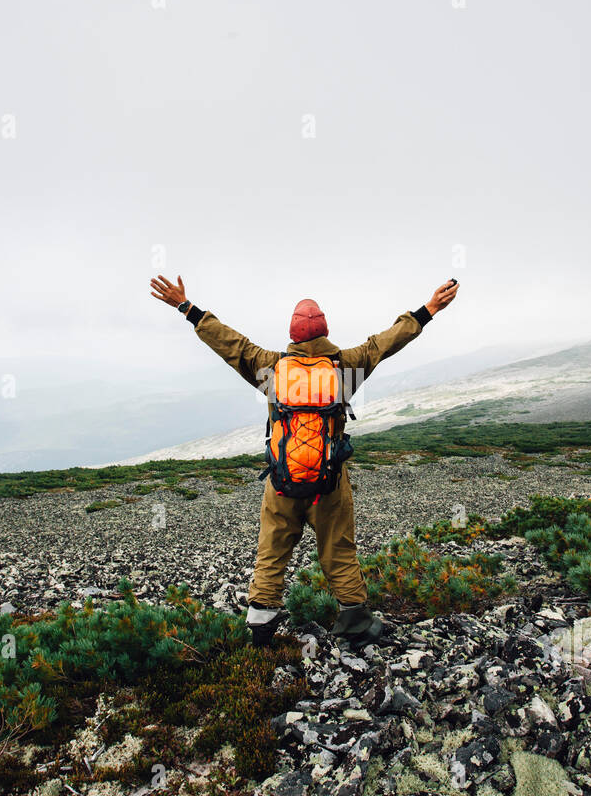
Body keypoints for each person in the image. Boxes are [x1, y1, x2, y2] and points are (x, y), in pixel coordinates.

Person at [149, 275, 460, 647]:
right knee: (339, 549)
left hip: (281, 482)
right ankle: (356, 624)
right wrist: (429, 310)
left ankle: (261, 633)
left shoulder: (269, 367)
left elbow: (230, 343)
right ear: (325, 331)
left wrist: (187, 307)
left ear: (293, 336)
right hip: (329, 483)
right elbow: (385, 343)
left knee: (272, 550)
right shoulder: (346, 366)